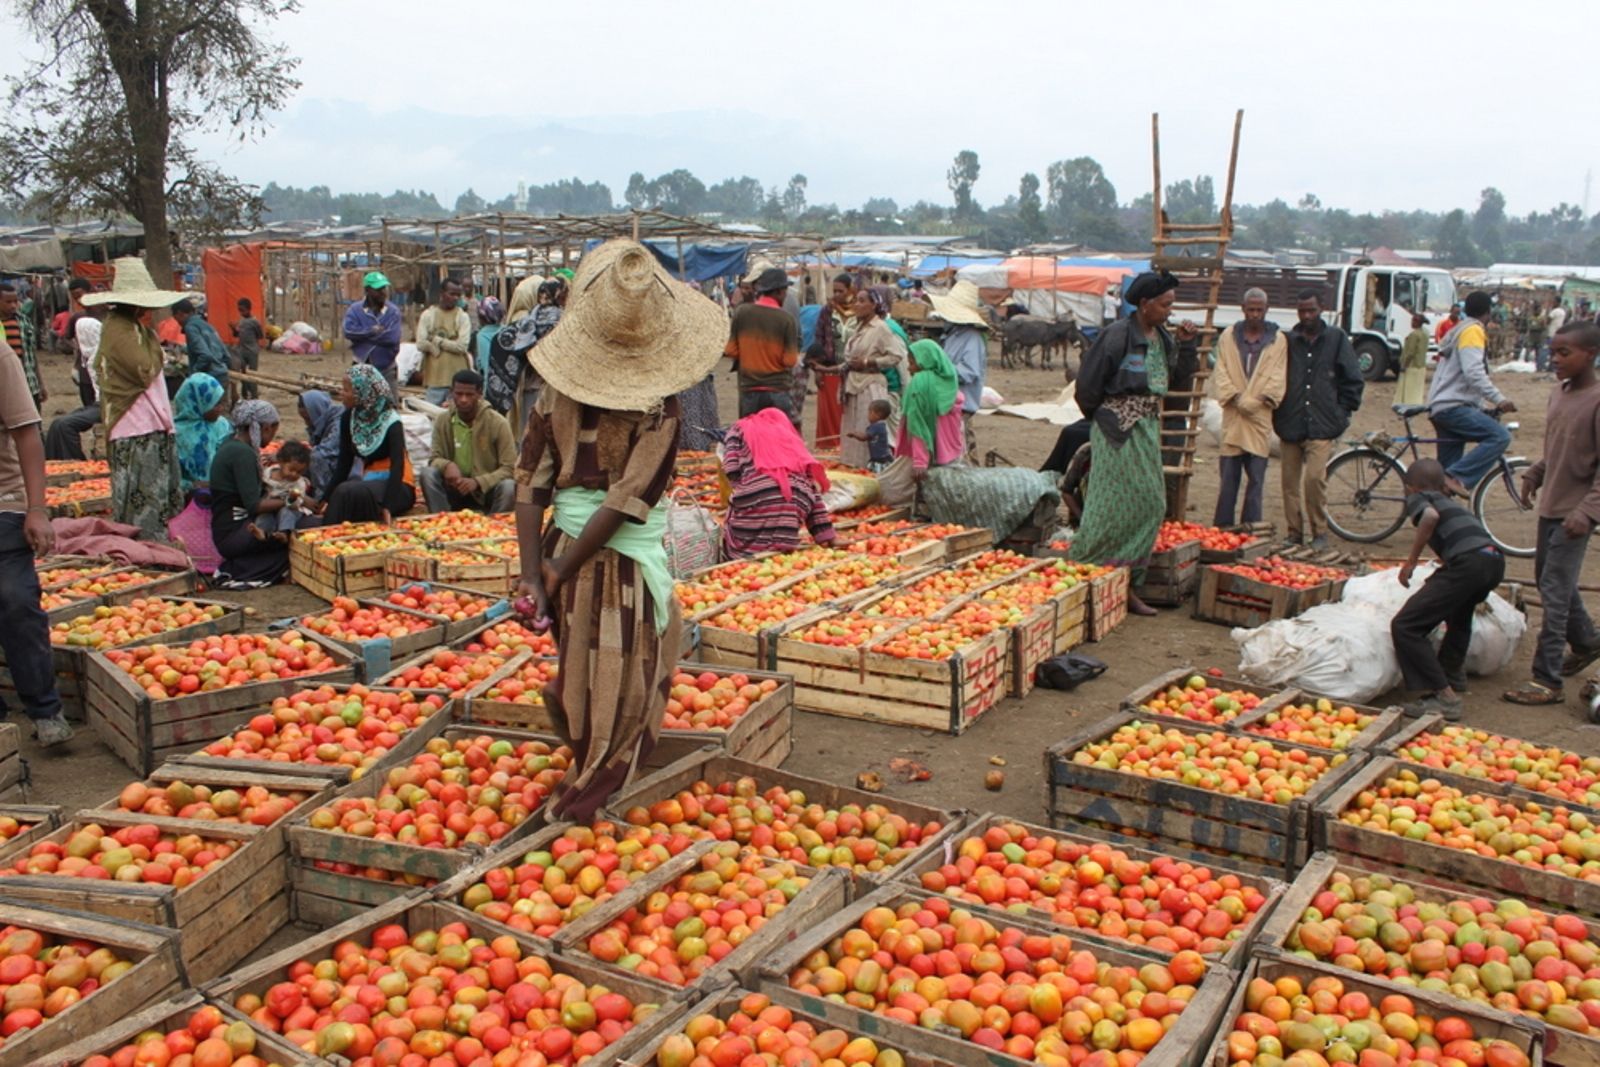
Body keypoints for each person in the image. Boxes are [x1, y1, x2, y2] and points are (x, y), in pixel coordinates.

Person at [511, 239, 725, 823]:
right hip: (612, 566)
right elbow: (628, 500)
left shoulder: (554, 395)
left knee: (586, 667)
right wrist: (549, 572)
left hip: (567, 547)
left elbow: (530, 482)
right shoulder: (660, 407)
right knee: (621, 679)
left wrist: (538, 571)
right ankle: (592, 786)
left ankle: (585, 752)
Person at [1070, 270, 1199, 615]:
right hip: (1116, 429)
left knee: (1151, 503)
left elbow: (1176, 379)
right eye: (1165, 305)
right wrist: (1105, 418)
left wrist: (1187, 345)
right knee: (1110, 505)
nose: (1169, 311)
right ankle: (1087, 570)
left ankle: (1126, 579)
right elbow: (1087, 387)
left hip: (1146, 428)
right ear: (1145, 304)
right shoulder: (1116, 336)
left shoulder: (1162, 338)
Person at [1504, 322, 1600, 707]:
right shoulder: (1558, 394)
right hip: (1552, 505)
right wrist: (1535, 474)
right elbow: (1559, 448)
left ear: (1590, 355)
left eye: (1564, 353)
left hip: (1574, 513)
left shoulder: (1596, 401)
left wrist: (1587, 512)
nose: (1555, 359)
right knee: (1550, 580)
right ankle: (1588, 641)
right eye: (1553, 351)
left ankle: (1547, 680)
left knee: (1555, 592)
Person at [0, 336, 74, 746]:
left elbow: (27, 433)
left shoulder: (1, 358)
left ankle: (45, 710)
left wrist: (36, 509)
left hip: (4, 502)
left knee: (16, 601)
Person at [81, 258, 189, 539]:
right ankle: (145, 550)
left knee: (157, 499)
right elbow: (143, 369)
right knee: (142, 503)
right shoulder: (118, 329)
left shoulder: (137, 329)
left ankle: (158, 548)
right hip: (134, 427)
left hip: (151, 423)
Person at [1390, 458, 1504, 721]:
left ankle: (1445, 698)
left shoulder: (1420, 497)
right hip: (1494, 561)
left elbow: (1430, 517)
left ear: (1410, 487)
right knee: (1460, 612)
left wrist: (1411, 561)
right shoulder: (1449, 500)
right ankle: (1452, 673)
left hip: (1469, 563)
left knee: (1406, 626)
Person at [1275, 290, 1363, 548]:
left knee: (1314, 480)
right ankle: (1294, 532)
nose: (1306, 316)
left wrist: (1342, 412)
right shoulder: (1288, 341)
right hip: (1290, 422)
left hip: (1323, 424)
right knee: (1289, 484)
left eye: (1311, 310)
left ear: (1321, 308)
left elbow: (1352, 378)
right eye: (1302, 311)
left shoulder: (1336, 338)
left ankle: (1319, 531)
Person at [1211, 289, 1288, 527]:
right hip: (1233, 417)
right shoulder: (1228, 336)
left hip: (1259, 418)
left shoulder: (1278, 340)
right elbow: (1221, 372)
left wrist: (1255, 402)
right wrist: (1237, 399)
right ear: (1243, 309)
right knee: (1228, 481)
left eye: (1259, 310)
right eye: (1251, 309)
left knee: (1256, 482)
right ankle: (1223, 528)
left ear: (1266, 310)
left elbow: (1277, 377)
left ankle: (1251, 529)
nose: (1255, 314)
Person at [1427, 291, 1515, 496]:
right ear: (1488, 312)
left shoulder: (1458, 329)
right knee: (1500, 436)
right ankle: (1458, 477)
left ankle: (1436, 507)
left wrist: (1482, 406)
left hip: (1441, 405)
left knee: (1444, 484)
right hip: (1454, 407)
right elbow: (1473, 373)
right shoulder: (1473, 331)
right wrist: (1499, 399)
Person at [720, 407, 837, 560]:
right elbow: (812, 489)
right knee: (783, 508)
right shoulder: (789, 436)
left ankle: (741, 555)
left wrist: (744, 488)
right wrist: (827, 536)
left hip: (759, 492)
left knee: (735, 513)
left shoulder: (739, 428)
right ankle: (780, 545)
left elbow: (731, 467)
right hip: (799, 497)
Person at [320, 363, 417, 525]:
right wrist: (325, 498)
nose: (341, 393)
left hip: (398, 485)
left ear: (363, 392)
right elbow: (344, 463)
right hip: (370, 482)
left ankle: (326, 531)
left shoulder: (391, 421)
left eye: (347, 390)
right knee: (344, 493)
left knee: (347, 491)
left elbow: (397, 466)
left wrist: (388, 506)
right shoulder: (349, 419)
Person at [210, 400, 291, 588]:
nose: (272, 435)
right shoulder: (242, 454)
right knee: (287, 545)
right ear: (266, 427)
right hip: (233, 534)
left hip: (226, 529)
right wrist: (291, 499)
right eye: (274, 430)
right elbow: (254, 505)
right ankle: (240, 569)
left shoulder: (232, 444)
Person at [421, 369, 518, 514]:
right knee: (427, 474)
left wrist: (478, 482)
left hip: (486, 493)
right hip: (455, 488)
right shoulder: (443, 420)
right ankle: (441, 517)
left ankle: (495, 521)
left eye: (469, 395)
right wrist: (446, 465)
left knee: (508, 486)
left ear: (479, 394)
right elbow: (434, 458)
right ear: (452, 393)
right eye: (459, 394)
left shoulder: (498, 423)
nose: (463, 399)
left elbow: (509, 468)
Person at [837, 288, 904, 468]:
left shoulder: (881, 328)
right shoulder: (859, 327)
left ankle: (869, 470)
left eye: (861, 301)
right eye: (855, 301)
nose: (856, 305)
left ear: (874, 305)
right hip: (853, 385)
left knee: (868, 431)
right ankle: (853, 468)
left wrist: (868, 362)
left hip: (870, 386)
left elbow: (896, 356)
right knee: (852, 430)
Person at [724, 267, 799, 424]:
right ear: (779, 291)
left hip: (749, 390)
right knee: (777, 436)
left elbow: (730, 351)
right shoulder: (786, 319)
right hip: (778, 391)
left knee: (751, 436)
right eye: (785, 291)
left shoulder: (741, 312)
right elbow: (790, 360)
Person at [930, 280, 990, 458]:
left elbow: (969, 372)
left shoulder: (972, 338)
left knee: (959, 451)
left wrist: (939, 370)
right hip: (948, 402)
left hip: (961, 405)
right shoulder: (952, 335)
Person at [895, 338, 965, 477]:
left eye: (912, 363)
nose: (909, 368)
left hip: (927, 456)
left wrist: (920, 460)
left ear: (924, 361)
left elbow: (917, 423)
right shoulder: (949, 381)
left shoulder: (920, 384)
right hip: (952, 452)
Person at [45, 303, 105, 461]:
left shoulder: (101, 356)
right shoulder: (89, 357)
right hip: (99, 403)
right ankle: (56, 463)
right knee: (57, 424)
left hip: (110, 405)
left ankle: (76, 461)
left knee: (66, 425)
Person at [343, 271, 403, 399]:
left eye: (384, 288)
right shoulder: (355, 310)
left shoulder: (393, 312)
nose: (383, 292)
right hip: (361, 367)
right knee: (360, 403)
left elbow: (392, 338)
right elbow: (349, 331)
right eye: (378, 289)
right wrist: (371, 331)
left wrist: (363, 337)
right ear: (367, 290)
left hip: (386, 368)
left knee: (390, 404)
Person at [172, 373, 231, 494]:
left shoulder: (222, 425)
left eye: (221, 403)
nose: (221, 408)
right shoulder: (177, 435)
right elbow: (171, 476)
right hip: (190, 496)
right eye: (216, 404)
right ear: (199, 403)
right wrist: (192, 485)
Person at [417, 279, 472, 405]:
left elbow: (462, 347)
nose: (455, 298)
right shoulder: (428, 315)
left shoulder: (462, 317)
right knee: (432, 413)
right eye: (452, 294)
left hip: (458, 381)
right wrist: (432, 348)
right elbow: (420, 343)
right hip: (435, 379)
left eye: (458, 295)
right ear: (442, 293)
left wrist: (437, 340)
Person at [0, 282, 42, 409]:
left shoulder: (24, 321)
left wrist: (40, 384)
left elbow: (31, 355)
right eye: (8, 302)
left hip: (29, 382)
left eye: (15, 301)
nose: (13, 305)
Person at [260, 440, 315, 533]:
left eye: (299, 472)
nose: (294, 474)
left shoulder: (299, 483)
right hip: (270, 507)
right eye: (291, 469)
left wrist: (293, 498)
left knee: (286, 514)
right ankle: (263, 534)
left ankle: (285, 534)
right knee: (264, 517)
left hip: (290, 509)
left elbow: (297, 503)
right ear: (280, 462)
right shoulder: (267, 474)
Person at [296, 389, 343, 500]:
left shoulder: (338, 423)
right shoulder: (323, 423)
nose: (307, 423)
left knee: (316, 458)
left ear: (317, 411)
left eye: (308, 419)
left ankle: (322, 497)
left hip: (343, 467)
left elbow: (324, 452)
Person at [172, 300, 230, 388]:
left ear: (180, 314)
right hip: (222, 376)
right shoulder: (206, 325)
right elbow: (226, 355)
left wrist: (194, 374)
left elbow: (205, 355)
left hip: (208, 380)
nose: (178, 323)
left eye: (176, 319)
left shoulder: (190, 328)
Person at [231, 298, 264, 400]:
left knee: (252, 375)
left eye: (242, 310)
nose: (241, 312)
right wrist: (233, 329)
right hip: (242, 351)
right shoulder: (241, 321)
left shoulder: (255, 322)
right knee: (243, 375)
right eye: (239, 310)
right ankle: (245, 396)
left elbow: (260, 335)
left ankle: (254, 397)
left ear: (249, 309)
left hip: (252, 352)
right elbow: (237, 335)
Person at [848, 399, 893, 471]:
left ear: (877, 415)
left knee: (877, 474)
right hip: (883, 457)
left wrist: (854, 434)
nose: (868, 415)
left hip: (880, 460)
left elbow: (864, 437)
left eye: (869, 412)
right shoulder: (881, 425)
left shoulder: (876, 427)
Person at [1398, 312, 1430, 406]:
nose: (1411, 323)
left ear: (1417, 322)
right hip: (1421, 365)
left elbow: (1410, 352)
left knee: (1409, 390)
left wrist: (1404, 365)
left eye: (1413, 321)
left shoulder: (1414, 335)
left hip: (1412, 366)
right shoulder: (1425, 333)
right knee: (1417, 390)